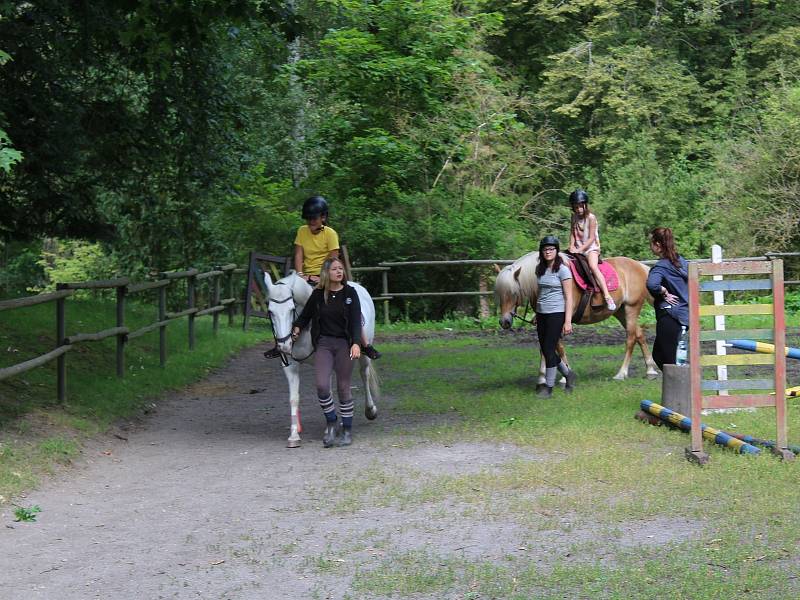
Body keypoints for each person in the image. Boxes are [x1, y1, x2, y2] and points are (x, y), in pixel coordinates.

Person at [265, 195, 380, 360]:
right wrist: (299, 275)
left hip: (327, 274)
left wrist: (324, 278)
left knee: (350, 306)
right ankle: (282, 343)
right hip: (304, 278)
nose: (310, 221)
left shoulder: (331, 234)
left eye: (314, 218)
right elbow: (298, 254)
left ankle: (365, 345)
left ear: (323, 217)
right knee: (284, 303)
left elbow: (333, 258)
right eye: (308, 218)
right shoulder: (301, 231)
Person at [291, 257, 362, 447]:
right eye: (334, 269)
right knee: (322, 386)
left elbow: (356, 321)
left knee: (343, 386)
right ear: (326, 273)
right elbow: (305, 316)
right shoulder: (318, 295)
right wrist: (297, 327)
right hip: (323, 344)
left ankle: (346, 429)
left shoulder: (350, 293)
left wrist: (356, 343)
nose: (339, 272)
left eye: (341, 269)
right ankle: (332, 422)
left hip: (344, 345)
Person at [535, 235, 577, 398]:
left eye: (551, 249)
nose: (548, 252)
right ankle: (568, 374)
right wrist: (536, 313)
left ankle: (549, 388)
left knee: (549, 349)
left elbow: (569, 297)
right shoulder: (540, 269)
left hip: (556, 313)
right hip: (542, 313)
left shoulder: (563, 270)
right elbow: (540, 293)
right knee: (546, 350)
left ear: (556, 251)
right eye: (545, 249)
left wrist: (567, 321)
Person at [646, 227, 689, 370]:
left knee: (671, 361)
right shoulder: (682, 261)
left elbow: (652, 284)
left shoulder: (661, 267)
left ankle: (682, 390)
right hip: (684, 315)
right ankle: (679, 388)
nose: (650, 247)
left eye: (651, 243)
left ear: (657, 245)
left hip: (669, 316)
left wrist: (663, 290)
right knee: (659, 355)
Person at [567, 189, 616, 311]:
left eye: (580, 206)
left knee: (593, 266)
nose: (578, 209)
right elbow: (572, 233)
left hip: (591, 248)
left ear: (585, 205)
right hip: (577, 247)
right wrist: (572, 246)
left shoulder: (591, 218)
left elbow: (591, 238)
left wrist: (580, 250)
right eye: (576, 207)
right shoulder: (574, 217)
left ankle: (607, 295)